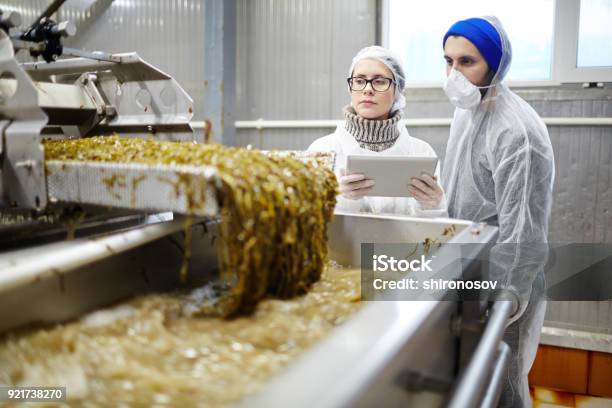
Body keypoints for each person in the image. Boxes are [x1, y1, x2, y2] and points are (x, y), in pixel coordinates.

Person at [441, 17, 555, 407]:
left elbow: (523, 234)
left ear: (495, 64)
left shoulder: (516, 133)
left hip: (506, 282)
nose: (454, 74)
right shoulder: (467, 111)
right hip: (469, 270)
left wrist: (504, 299)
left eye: (466, 62)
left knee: (501, 385)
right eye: (448, 61)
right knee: (471, 384)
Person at [308, 46, 447, 217]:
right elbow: (308, 222)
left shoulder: (421, 152)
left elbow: (435, 234)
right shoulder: (322, 150)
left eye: (379, 81)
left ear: (397, 90)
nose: (367, 89)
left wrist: (433, 205)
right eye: (359, 80)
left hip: (402, 245)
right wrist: (339, 200)